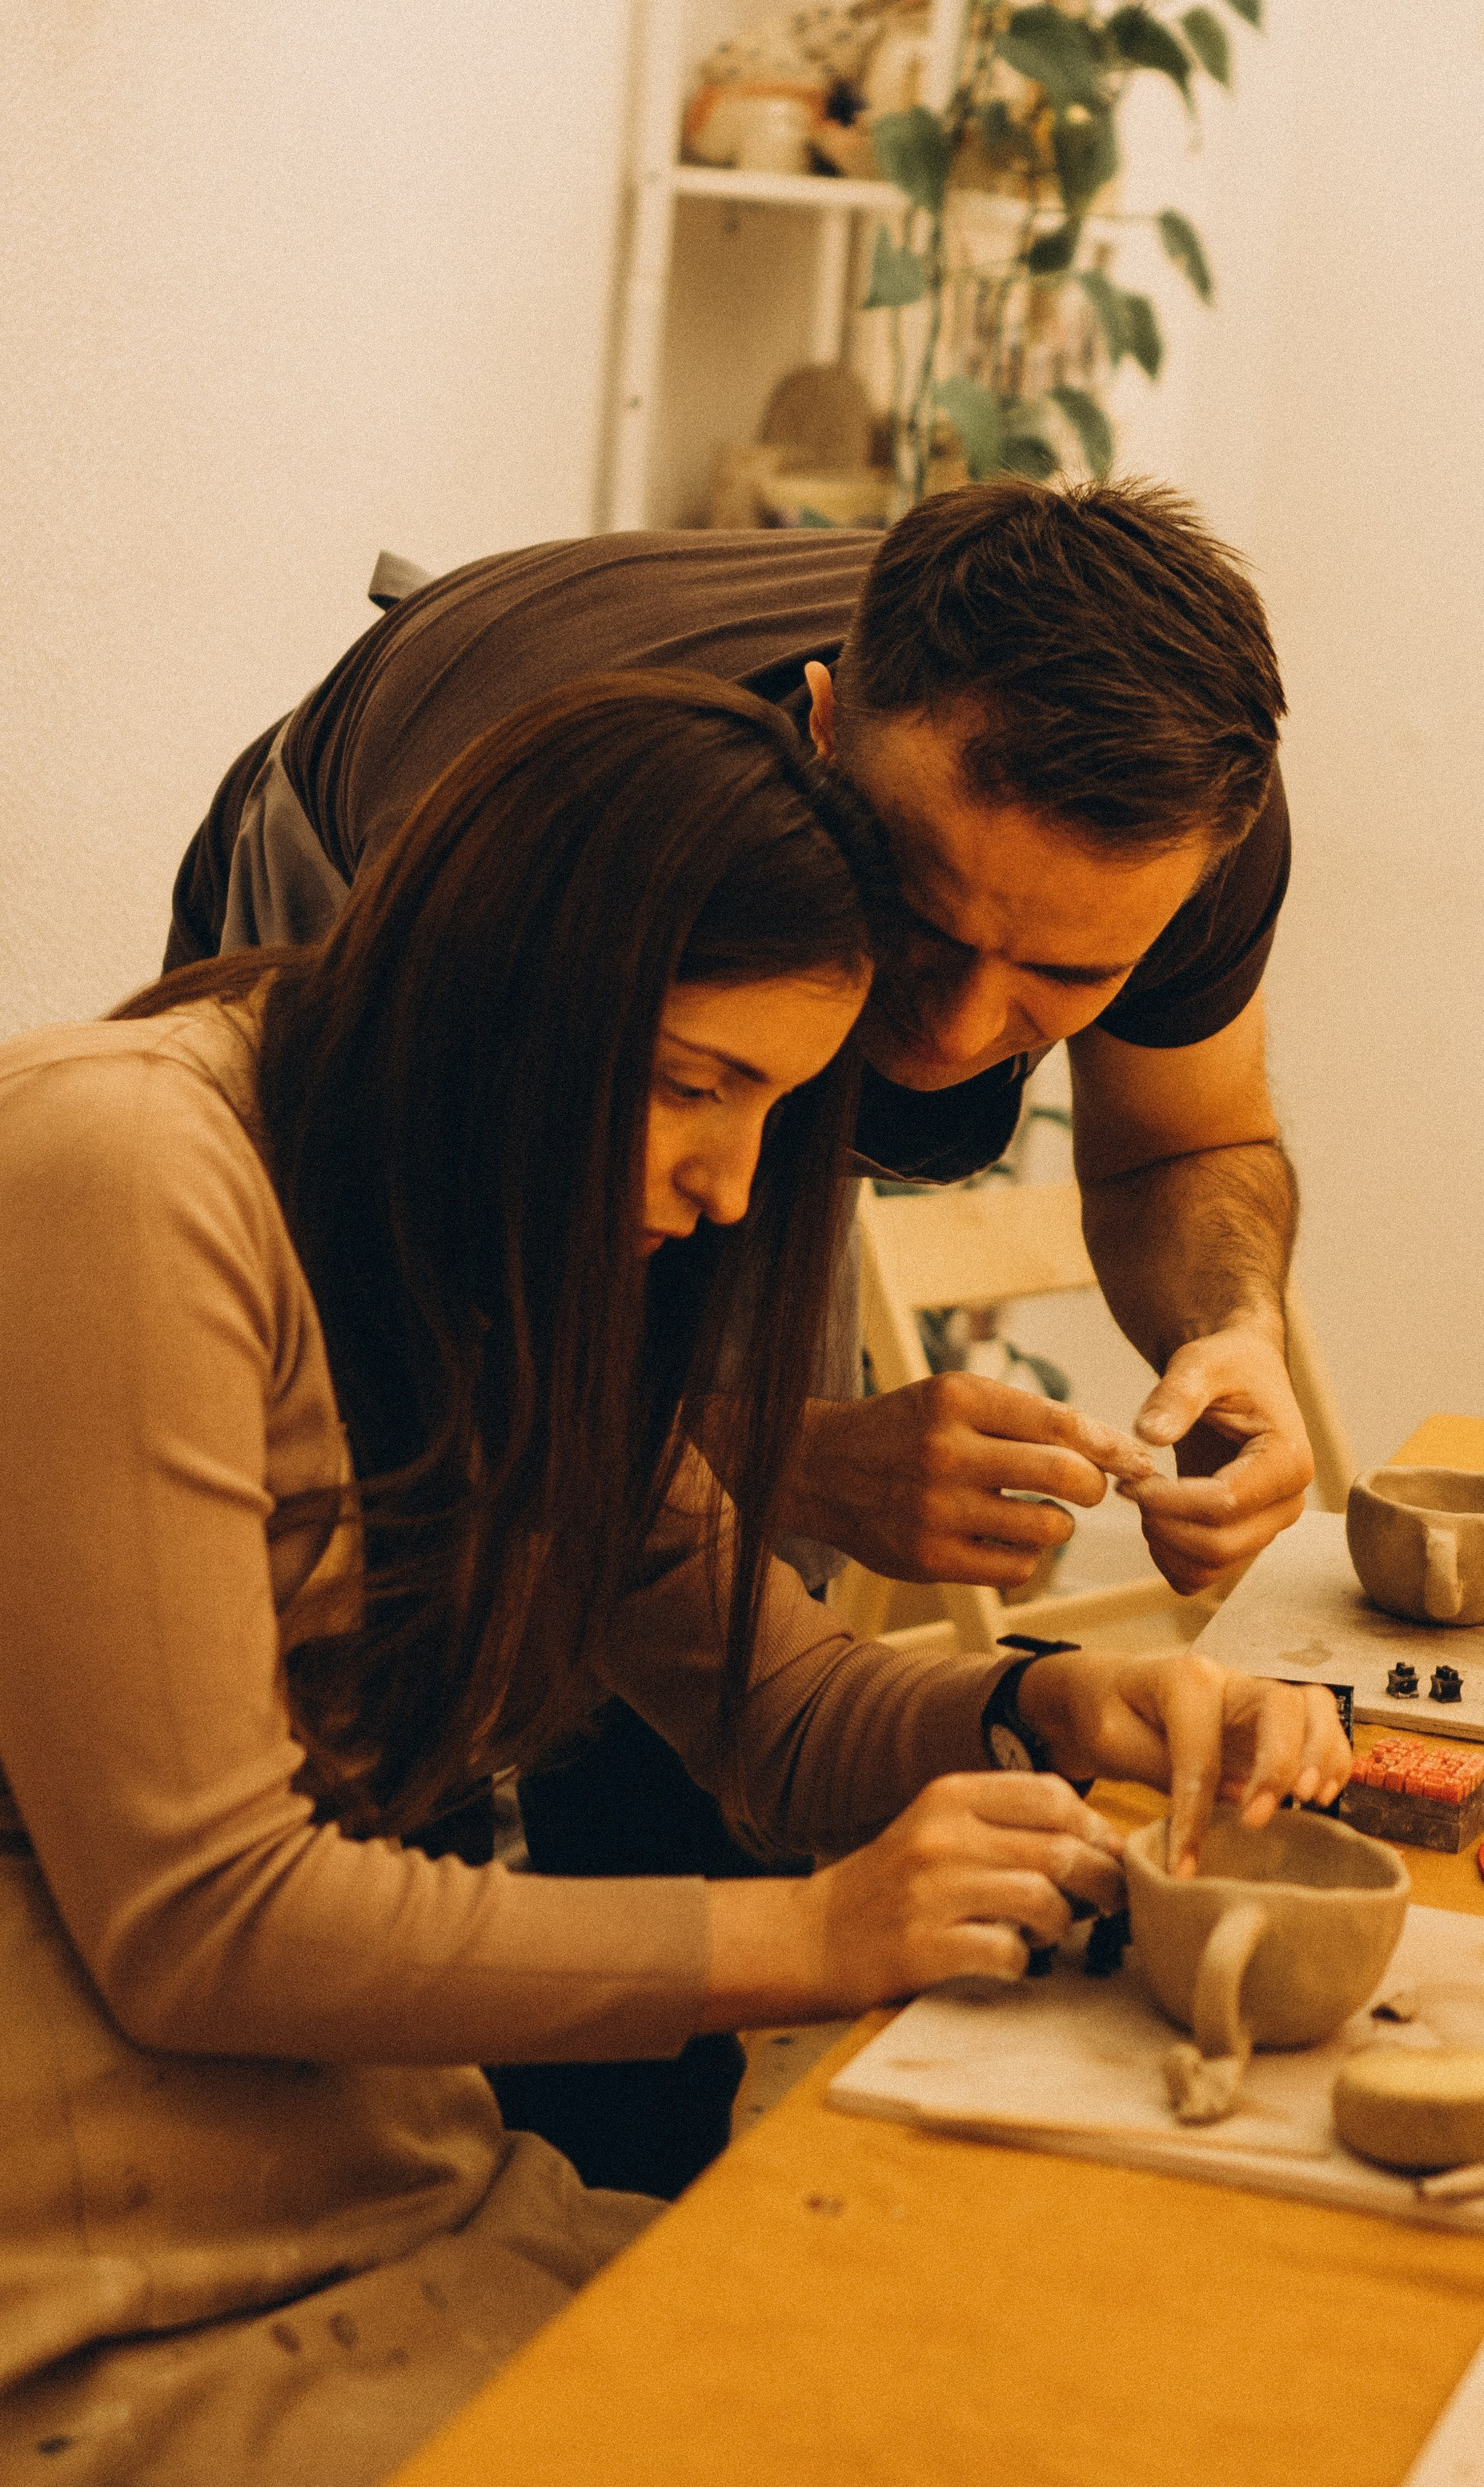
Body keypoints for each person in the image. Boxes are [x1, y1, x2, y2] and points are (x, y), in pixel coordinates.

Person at [0, 674, 1350, 2486]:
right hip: (55, 2270)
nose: (732, 1184)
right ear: (501, 1007)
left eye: (777, 1108)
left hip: (384, 2188)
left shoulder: (488, 1232)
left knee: (1076, 2386)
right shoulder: (114, 1164)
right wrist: (814, 1936)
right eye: (698, 1086)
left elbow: (785, 1709)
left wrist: (1050, 1705)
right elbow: (202, 1922)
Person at [166, 479, 1311, 2188]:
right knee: (405, 1643)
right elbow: (447, 1302)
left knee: (681, 1691)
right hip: (370, 939)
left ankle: (619, 2182)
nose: (952, 1030)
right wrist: (790, 1448)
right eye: (924, 926)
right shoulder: (520, 822)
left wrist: (1233, 1339)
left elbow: (1183, 1145)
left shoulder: (1172, 820)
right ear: (825, 724)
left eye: (1059, 984)